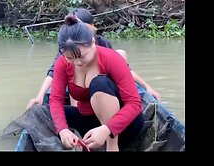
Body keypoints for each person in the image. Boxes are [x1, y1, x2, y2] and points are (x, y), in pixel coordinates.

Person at [26, 8, 160, 110]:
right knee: (74, 72)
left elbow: (125, 70)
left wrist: (146, 86)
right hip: (79, 92)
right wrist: (40, 95)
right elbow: (53, 73)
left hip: (102, 89)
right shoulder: (69, 48)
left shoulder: (102, 43)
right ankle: (77, 111)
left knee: (120, 54)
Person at [50, 14, 144, 151]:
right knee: (46, 113)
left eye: (81, 56)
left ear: (93, 43)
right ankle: (79, 140)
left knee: (99, 83)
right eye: (70, 58)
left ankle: (112, 147)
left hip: (123, 127)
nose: (77, 63)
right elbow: (56, 99)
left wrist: (107, 129)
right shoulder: (62, 63)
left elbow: (135, 104)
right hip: (90, 123)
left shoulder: (111, 59)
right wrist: (62, 130)